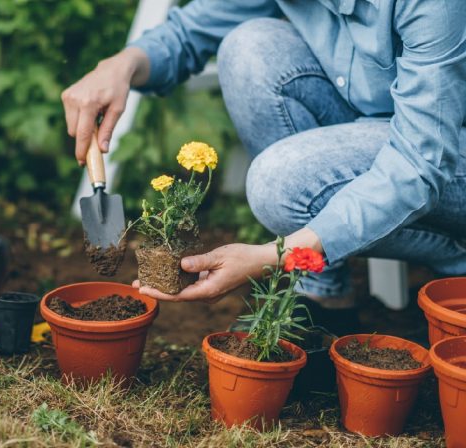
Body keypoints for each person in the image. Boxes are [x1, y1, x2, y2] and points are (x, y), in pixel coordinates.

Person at [61, 0, 466, 333]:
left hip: (445, 155)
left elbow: (420, 162)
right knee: (248, 47)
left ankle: (457, 255)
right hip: (377, 126)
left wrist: (276, 255)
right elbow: (191, 32)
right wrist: (122, 65)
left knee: (279, 183)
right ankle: (322, 298)